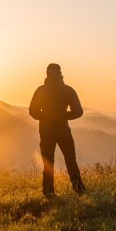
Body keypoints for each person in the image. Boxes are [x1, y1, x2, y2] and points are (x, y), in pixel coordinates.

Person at [29, 63, 87, 197]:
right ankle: (80, 191)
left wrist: (45, 116)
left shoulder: (41, 91)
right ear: (61, 73)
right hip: (63, 131)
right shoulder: (68, 90)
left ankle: (49, 193)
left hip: (46, 131)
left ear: (47, 73)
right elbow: (78, 111)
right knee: (71, 161)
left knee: (48, 163)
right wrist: (63, 115)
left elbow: (32, 111)